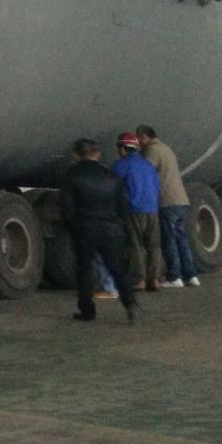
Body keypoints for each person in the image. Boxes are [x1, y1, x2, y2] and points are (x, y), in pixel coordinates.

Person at [58, 137, 138, 324]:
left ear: (75, 155)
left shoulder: (72, 175)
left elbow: (67, 208)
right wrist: (122, 227)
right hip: (111, 229)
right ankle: (130, 305)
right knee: (118, 268)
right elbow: (123, 205)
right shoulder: (111, 175)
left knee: (85, 270)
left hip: (85, 228)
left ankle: (87, 310)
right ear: (97, 153)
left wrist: (73, 229)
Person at [137, 125, 199, 288]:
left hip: (166, 201)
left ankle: (174, 277)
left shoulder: (151, 151)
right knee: (182, 240)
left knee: (168, 240)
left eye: (138, 139)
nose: (138, 143)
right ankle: (191, 275)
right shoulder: (166, 148)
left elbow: (144, 173)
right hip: (181, 200)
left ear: (144, 136)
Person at [113, 131, 164, 292]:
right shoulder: (148, 165)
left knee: (136, 244)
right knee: (154, 245)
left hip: (134, 209)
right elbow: (157, 185)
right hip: (152, 209)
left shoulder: (121, 165)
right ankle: (155, 279)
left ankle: (139, 280)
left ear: (122, 148)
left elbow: (112, 186)